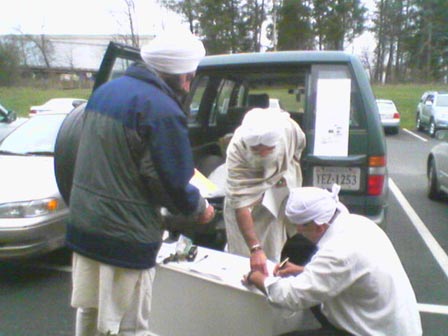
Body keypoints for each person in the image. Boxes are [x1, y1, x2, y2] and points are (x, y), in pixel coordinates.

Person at [66, 28, 215, 336]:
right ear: (174, 73)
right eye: (188, 76)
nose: (188, 85)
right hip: (124, 237)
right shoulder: (160, 109)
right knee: (128, 324)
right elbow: (167, 180)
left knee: (91, 311)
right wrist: (199, 208)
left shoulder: (105, 92)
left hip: (85, 225)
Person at [243, 185, 422, 336]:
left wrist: (256, 277)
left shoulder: (338, 252)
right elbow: (354, 272)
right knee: (311, 286)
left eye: (300, 228)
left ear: (319, 226)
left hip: (373, 332)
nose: (299, 233)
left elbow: (291, 297)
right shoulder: (359, 224)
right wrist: (303, 271)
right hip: (390, 324)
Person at [224, 107, 306, 275]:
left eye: (267, 149)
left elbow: (299, 146)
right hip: (244, 205)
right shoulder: (236, 152)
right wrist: (255, 249)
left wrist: (288, 170)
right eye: (256, 150)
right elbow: (241, 206)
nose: (261, 153)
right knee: (242, 257)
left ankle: (270, 280)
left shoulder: (288, 129)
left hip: (276, 192)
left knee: (273, 242)